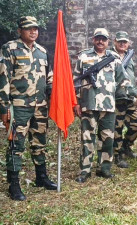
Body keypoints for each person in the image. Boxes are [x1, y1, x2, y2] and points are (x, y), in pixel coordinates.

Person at [0, 16, 56, 201]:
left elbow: (49, 77)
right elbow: (3, 79)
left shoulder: (42, 51)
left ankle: (41, 177)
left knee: (39, 142)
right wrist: (4, 107)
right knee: (16, 145)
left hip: (40, 106)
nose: (33, 32)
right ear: (19, 31)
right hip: (19, 106)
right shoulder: (10, 49)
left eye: (36, 28)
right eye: (28, 28)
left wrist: (54, 92)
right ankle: (14, 184)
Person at [73, 28, 129, 183]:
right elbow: (75, 81)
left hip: (108, 106)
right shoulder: (84, 57)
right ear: (93, 39)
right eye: (98, 38)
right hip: (88, 104)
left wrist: (116, 97)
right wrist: (76, 102)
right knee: (87, 138)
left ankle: (104, 168)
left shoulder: (114, 58)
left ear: (108, 41)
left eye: (103, 39)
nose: (100, 41)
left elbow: (123, 80)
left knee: (107, 138)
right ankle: (85, 170)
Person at [111, 31, 137, 168]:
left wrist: (136, 92)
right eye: (120, 42)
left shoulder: (130, 57)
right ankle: (117, 154)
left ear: (128, 43)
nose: (122, 44)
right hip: (117, 97)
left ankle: (126, 146)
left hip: (130, 97)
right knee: (117, 127)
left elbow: (131, 77)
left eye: (125, 42)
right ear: (115, 42)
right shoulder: (110, 56)